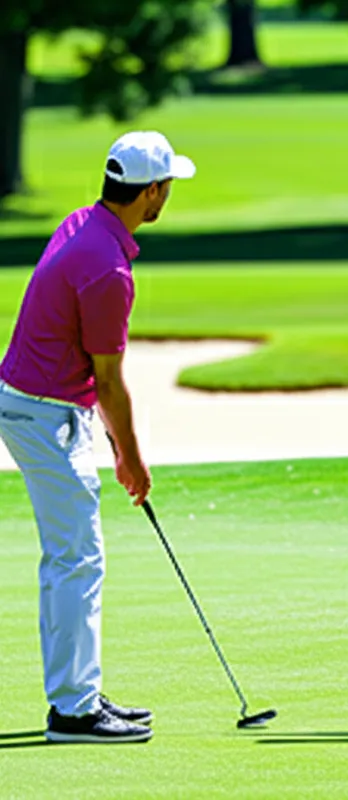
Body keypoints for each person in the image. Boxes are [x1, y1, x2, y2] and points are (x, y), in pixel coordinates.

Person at [0, 131, 196, 743]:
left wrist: (111, 438)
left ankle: (79, 689)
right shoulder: (109, 270)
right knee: (75, 558)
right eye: (168, 185)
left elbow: (84, 360)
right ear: (152, 191)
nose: (169, 194)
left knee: (74, 556)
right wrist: (132, 460)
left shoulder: (83, 224)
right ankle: (73, 711)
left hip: (40, 405)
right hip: (44, 415)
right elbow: (109, 381)